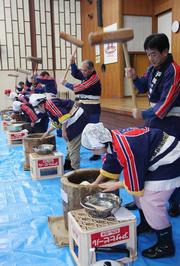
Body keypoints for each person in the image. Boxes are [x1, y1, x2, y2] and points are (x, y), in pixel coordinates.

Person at [81, 122, 180, 259]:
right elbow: (111, 162)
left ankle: (166, 245)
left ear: (99, 144)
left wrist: (116, 185)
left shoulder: (125, 147)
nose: (92, 152)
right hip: (153, 157)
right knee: (138, 196)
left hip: (170, 159)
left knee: (151, 201)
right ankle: (147, 224)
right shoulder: (112, 139)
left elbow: (135, 175)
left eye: (92, 149)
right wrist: (95, 184)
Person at [125, 33, 180, 216]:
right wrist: (133, 77)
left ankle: (175, 201)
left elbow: (165, 103)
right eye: (148, 54)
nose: (151, 58)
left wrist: (144, 113)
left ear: (165, 51)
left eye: (154, 54)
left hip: (172, 122)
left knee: (171, 161)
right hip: (154, 121)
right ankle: (143, 198)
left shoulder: (174, 71)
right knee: (150, 159)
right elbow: (142, 86)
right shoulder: (151, 69)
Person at [30, 94, 88, 170]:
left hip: (78, 119)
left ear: (40, 105)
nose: (38, 111)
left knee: (73, 145)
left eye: (37, 108)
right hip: (71, 121)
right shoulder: (48, 108)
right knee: (69, 143)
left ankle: (75, 169)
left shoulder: (50, 104)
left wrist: (64, 132)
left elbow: (63, 117)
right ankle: (68, 163)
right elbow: (56, 123)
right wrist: (46, 133)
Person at [60, 57, 102, 161]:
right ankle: (72, 151)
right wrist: (73, 64)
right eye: (81, 69)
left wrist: (66, 83)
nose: (82, 72)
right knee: (76, 128)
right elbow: (75, 73)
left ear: (91, 70)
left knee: (93, 130)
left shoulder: (93, 78)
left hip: (92, 108)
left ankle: (96, 152)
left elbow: (79, 88)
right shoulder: (85, 74)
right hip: (82, 106)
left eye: (84, 70)